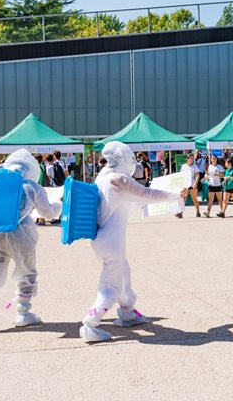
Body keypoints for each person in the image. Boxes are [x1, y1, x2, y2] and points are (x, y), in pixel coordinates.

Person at [79, 141, 184, 343]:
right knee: (112, 286)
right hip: (112, 241)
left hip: (102, 238)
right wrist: (175, 195)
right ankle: (91, 323)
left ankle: (127, 311)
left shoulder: (102, 176)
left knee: (123, 272)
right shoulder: (119, 179)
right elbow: (147, 194)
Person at [0, 150, 64, 335]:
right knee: (26, 273)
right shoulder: (31, 185)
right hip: (21, 235)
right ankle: (23, 313)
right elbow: (48, 213)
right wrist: (60, 205)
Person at [177, 154, 201, 219]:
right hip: (185, 184)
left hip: (192, 184)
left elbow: (197, 175)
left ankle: (198, 212)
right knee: (183, 198)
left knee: (194, 199)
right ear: (187, 159)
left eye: (192, 158)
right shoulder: (183, 166)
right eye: (190, 158)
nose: (192, 160)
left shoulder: (194, 166)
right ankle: (180, 212)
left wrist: (195, 183)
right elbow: (181, 175)